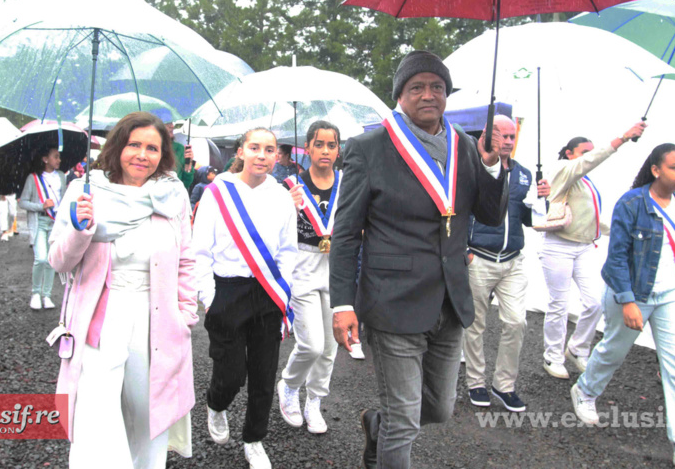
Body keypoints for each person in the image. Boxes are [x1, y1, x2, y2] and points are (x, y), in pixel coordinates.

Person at [330, 51, 508, 469]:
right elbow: (346, 233)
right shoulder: (368, 148)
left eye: (437, 87)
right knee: (405, 420)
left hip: (450, 300)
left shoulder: (466, 145)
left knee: (440, 409)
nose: (429, 95)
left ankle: (377, 424)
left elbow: (490, 215)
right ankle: (390, 430)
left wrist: (491, 165)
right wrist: (342, 304)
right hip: (392, 301)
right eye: (417, 87)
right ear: (400, 95)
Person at [48, 112, 198, 468]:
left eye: (152, 148)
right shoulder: (85, 191)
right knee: (97, 412)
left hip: (157, 319)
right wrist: (80, 229)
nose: (142, 155)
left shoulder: (172, 194)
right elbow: (59, 261)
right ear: (117, 147)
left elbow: (186, 259)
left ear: (163, 154)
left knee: (149, 412)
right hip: (101, 318)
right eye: (134, 145)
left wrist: (186, 313)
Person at [570, 144, 675, 469]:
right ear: (655, 170)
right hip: (632, 292)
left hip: (674, 294)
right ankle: (585, 390)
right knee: (613, 351)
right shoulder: (632, 203)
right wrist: (627, 301)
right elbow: (617, 257)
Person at [192, 127, 298, 469]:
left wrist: (284, 291)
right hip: (227, 291)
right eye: (254, 147)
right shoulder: (218, 192)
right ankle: (216, 403)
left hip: (268, 292)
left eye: (269, 149)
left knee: (264, 375)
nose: (261, 155)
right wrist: (210, 297)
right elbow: (200, 250)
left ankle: (254, 439)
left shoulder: (282, 196)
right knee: (231, 373)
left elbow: (288, 250)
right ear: (240, 151)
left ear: (277, 156)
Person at [540, 124, 647, 379]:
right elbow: (587, 163)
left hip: (584, 246)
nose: (589, 156)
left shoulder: (585, 181)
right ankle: (552, 356)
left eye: (591, 151)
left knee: (595, 302)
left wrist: (623, 232)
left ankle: (577, 348)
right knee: (559, 304)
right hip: (558, 245)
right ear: (569, 153)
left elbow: (592, 218)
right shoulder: (562, 169)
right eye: (584, 152)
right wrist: (623, 138)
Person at [463, 115, 550, 413]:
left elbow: (530, 220)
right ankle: (475, 382)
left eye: (513, 136)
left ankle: (504, 385)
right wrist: (465, 249)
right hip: (479, 257)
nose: (509, 142)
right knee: (475, 324)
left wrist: (543, 200)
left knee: (516, 322)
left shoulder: (523, 174)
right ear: (488, 136)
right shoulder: (473, 168)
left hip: (512, 261)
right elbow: (460, 210)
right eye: (503, 135)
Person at [277, 121, 342, 434]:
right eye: (319, 144)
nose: (325, 150)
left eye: (331, 145)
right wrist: (286, 208)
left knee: (330, 347)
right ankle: (289, 385)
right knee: (312, 344)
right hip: (302, 264)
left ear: (338, 150)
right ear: (307, 148)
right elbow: (274, 229)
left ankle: (314, 400)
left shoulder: (347, 183)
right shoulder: (291, 185)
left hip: (335, 266)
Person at [18, 146, 67, 310]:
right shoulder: (33, 178)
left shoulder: (61, 176)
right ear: (45, 159)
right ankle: (36, 294)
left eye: (59, 157)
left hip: (55, 223)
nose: (59, 160)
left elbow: (64, 199)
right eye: (56, 157)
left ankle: (47, 295)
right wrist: (41, 206)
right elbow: (23, 202)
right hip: (40, 221)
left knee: (51, 261)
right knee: (41, 258)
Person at [164, 122, 194, 189]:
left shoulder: (180, 148)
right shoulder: (150, 148)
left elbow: (186, 183)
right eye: (168, 123)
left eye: (171, 123)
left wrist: (188, 165)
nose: (172, 126)